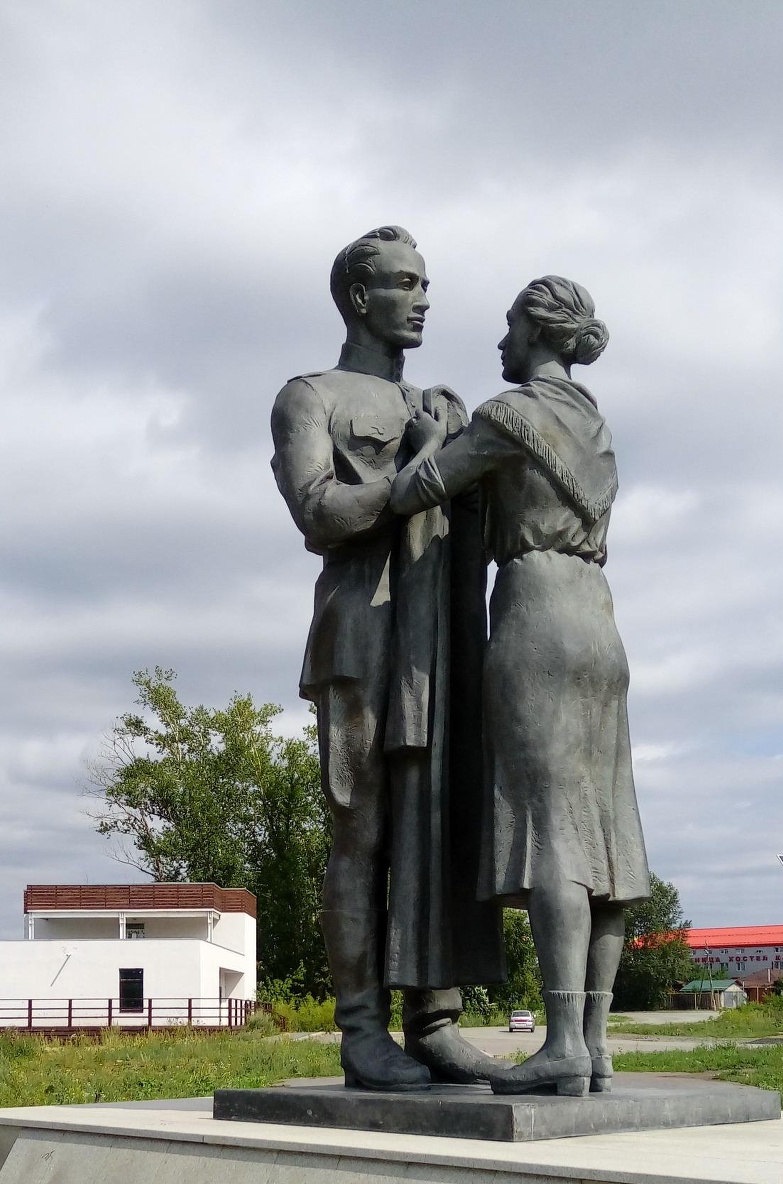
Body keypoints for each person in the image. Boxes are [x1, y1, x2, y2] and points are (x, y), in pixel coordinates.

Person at [389, 275, 650, 1094]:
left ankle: (563, 1039)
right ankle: (595, 1043)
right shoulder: (596, 425)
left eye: (509, 329)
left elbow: (413, 493)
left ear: (538, 333)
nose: (500, 345)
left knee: (553, 833)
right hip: (601, 622)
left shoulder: (509, 416)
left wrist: (432, 438)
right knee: (605, 837)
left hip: (536, 611)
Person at [271, 227, 502, 1090]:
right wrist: (418, 477)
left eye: (426, 282)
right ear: (358, 298)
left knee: (436, 826)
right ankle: (363, 1029)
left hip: (440, 637)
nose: (422, 297)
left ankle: (435, 1022)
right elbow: (318, 512)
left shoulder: (443, 404)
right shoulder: (309, 396)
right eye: (404, 283)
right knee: (361, 831)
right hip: (362, 632)